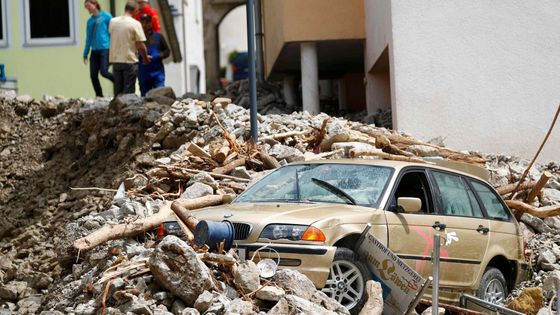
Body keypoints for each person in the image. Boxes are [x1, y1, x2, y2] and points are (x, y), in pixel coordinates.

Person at [108, 1, 151, 96]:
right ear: (135, 10)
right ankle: (127, 110)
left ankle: (117, 109)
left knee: (118, 90)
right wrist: (146, 58)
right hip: (129, 61)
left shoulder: (113, 21)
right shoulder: (135, 24)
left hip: (116, 60)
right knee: (128, 92)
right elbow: (140, 44)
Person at [83, 0, 113, 97]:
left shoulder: (106, 16)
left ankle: (118, 82)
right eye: (86, 7)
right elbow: (88, 38)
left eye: (88, 5)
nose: (88, 8)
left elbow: (114, 30)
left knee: (104, 72)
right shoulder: (90, 21)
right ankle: (99, 95)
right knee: (93, 75)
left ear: (95, 4)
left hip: (105, 49)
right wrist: (85, 53)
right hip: (94, 51)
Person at [138, 14, 170, 96]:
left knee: (160, 94)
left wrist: (158, 55)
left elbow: (167, 51)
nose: (144, 25)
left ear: (150, 23)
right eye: (142, 23)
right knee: (144, 97)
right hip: (143, 72)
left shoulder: (159, 37)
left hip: (157, 72)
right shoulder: (137, 38)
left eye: (146, 23)